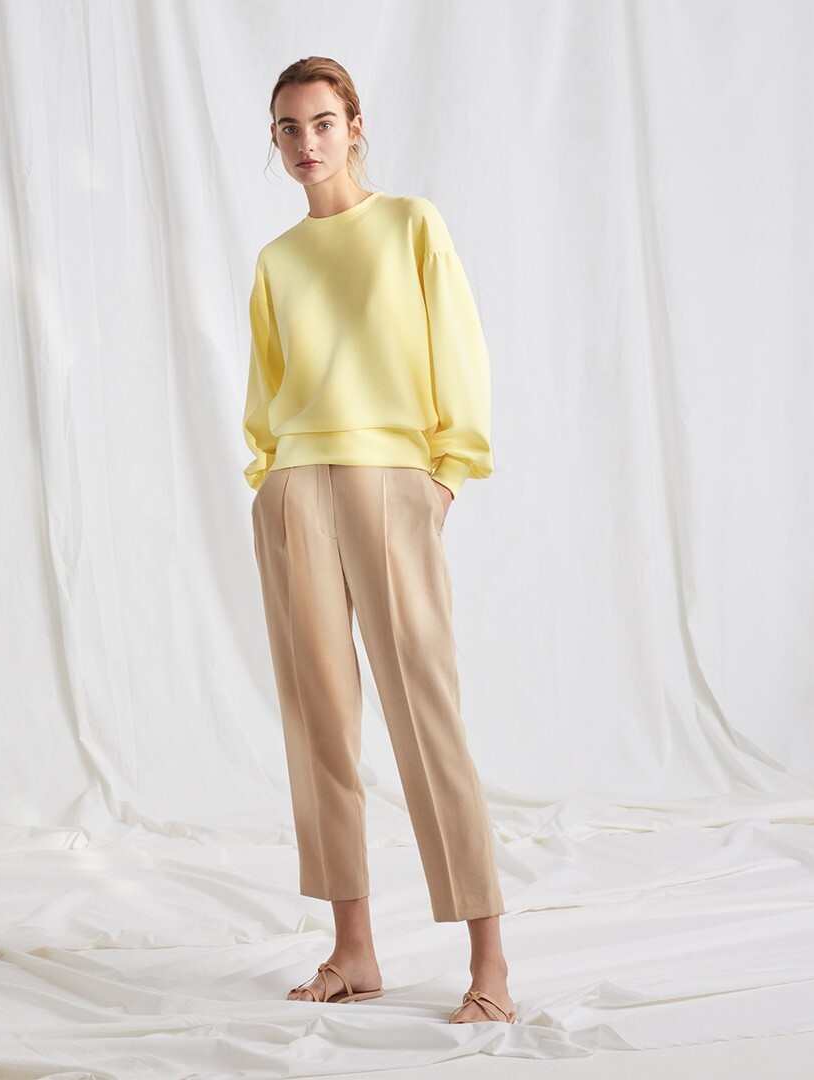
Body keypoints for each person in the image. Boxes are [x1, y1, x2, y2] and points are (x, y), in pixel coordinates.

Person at [242, 56, 516, 1027]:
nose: (305, 143)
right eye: (288, 128)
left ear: (354, 126)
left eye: (321, 123)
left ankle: (489, 960)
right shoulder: (277, 260)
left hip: (391, 480)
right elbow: (265, 391)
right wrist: (270, 482)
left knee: (425, 712)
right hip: (295, 487)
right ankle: (352, 951)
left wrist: (445, 477)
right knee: (318, 721)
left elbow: (459, 354)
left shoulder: (411, 225)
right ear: (275, 141)